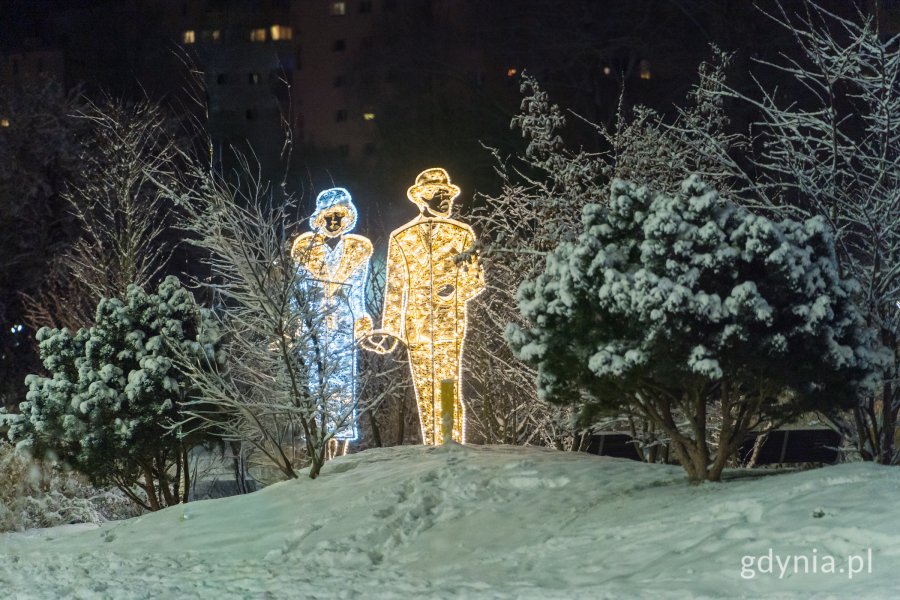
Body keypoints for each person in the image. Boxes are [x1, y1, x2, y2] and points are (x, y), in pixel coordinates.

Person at [363, 168, 484, 444]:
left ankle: (450, 440)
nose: (446, 200)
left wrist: (455, 290)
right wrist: (391, 329)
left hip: (449, 323)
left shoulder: (462, 234)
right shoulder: (402, 238)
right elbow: (395, 287)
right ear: (422, 198)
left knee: (447, 385)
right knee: (425, 389)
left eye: (447, 194)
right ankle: (433, 442)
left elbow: (475, 281)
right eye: (438, 194)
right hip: (416, 326)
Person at [292, 187, 373, 445]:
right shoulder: (305, 248)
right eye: (329, 215)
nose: (334, 221)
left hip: (343, 324)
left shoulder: (358, 249)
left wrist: (361, 317)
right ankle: (318, 442)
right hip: (313, 326)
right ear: (320, 217)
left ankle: (340, 447)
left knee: (342, 387)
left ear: (348, 216)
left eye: (339, 215)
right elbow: (297, 291)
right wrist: (295, 322)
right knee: (315, 385)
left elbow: (358, 288)